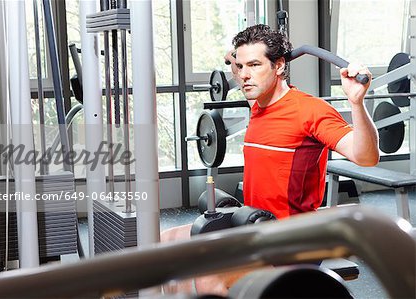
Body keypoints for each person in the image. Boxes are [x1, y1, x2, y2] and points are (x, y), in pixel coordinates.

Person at [161, 24, 379, 295]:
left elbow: (366, 157)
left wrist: (357, 103)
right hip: (251, 224)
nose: (244, 76)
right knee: (165, 243)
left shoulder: (311, 111)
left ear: (279, 66)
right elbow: (238, 64)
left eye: (254, 65)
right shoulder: (258, 104)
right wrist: (237, 58)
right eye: (240, 67)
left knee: (209, 276)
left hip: (291, 239)